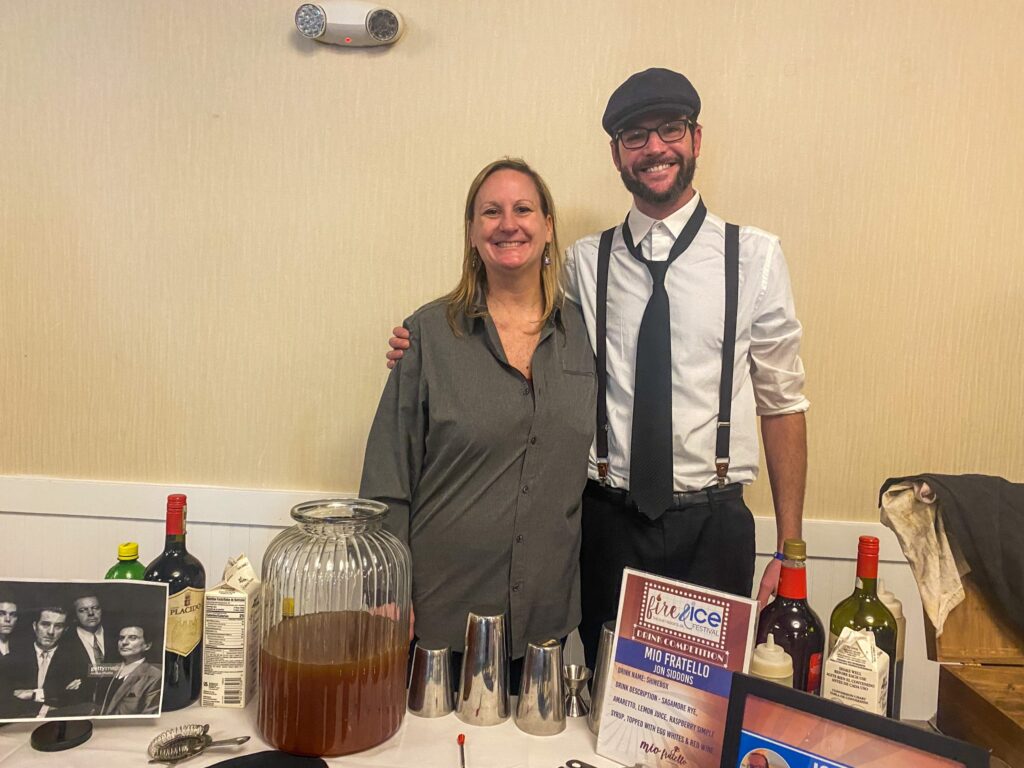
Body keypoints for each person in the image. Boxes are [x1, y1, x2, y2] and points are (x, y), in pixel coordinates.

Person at [387, 69, 809, 671]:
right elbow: (521, 335)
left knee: (700, 719)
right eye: (635, 137)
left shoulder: (756, 258)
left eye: (670, 130)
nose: (655, 148)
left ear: (695, 139)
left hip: (714, 527)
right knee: (611, 706)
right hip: (609, 522)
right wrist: (423, 348)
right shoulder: (586, 265)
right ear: (616, 154)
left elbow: (783, 402)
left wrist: (792, 548)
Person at [360, 158, 596, 688]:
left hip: (542, 625)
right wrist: (388, 591)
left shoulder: (586, 335)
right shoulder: (428, 334)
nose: (507, 223)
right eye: (490, 211)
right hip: (441, 620)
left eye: (523, 209)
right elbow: (387, 475)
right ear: (471, 232)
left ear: (549, 225)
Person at [4, 607, 82, 718]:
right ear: (35, 626)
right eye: (45, 624)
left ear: (65, 630)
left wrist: (34, 694)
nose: (51, 632)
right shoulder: (11, 660)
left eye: (58, 626)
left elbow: (76, 700)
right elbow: (4, 700)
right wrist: (51, 703)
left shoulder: (75, 661)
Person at [96, 625, 161, 716]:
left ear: (147, 646)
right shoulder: (109, 669)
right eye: (121, 638)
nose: (124, 642)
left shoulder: (155, 675)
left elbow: (149, 714)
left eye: (132, 638)